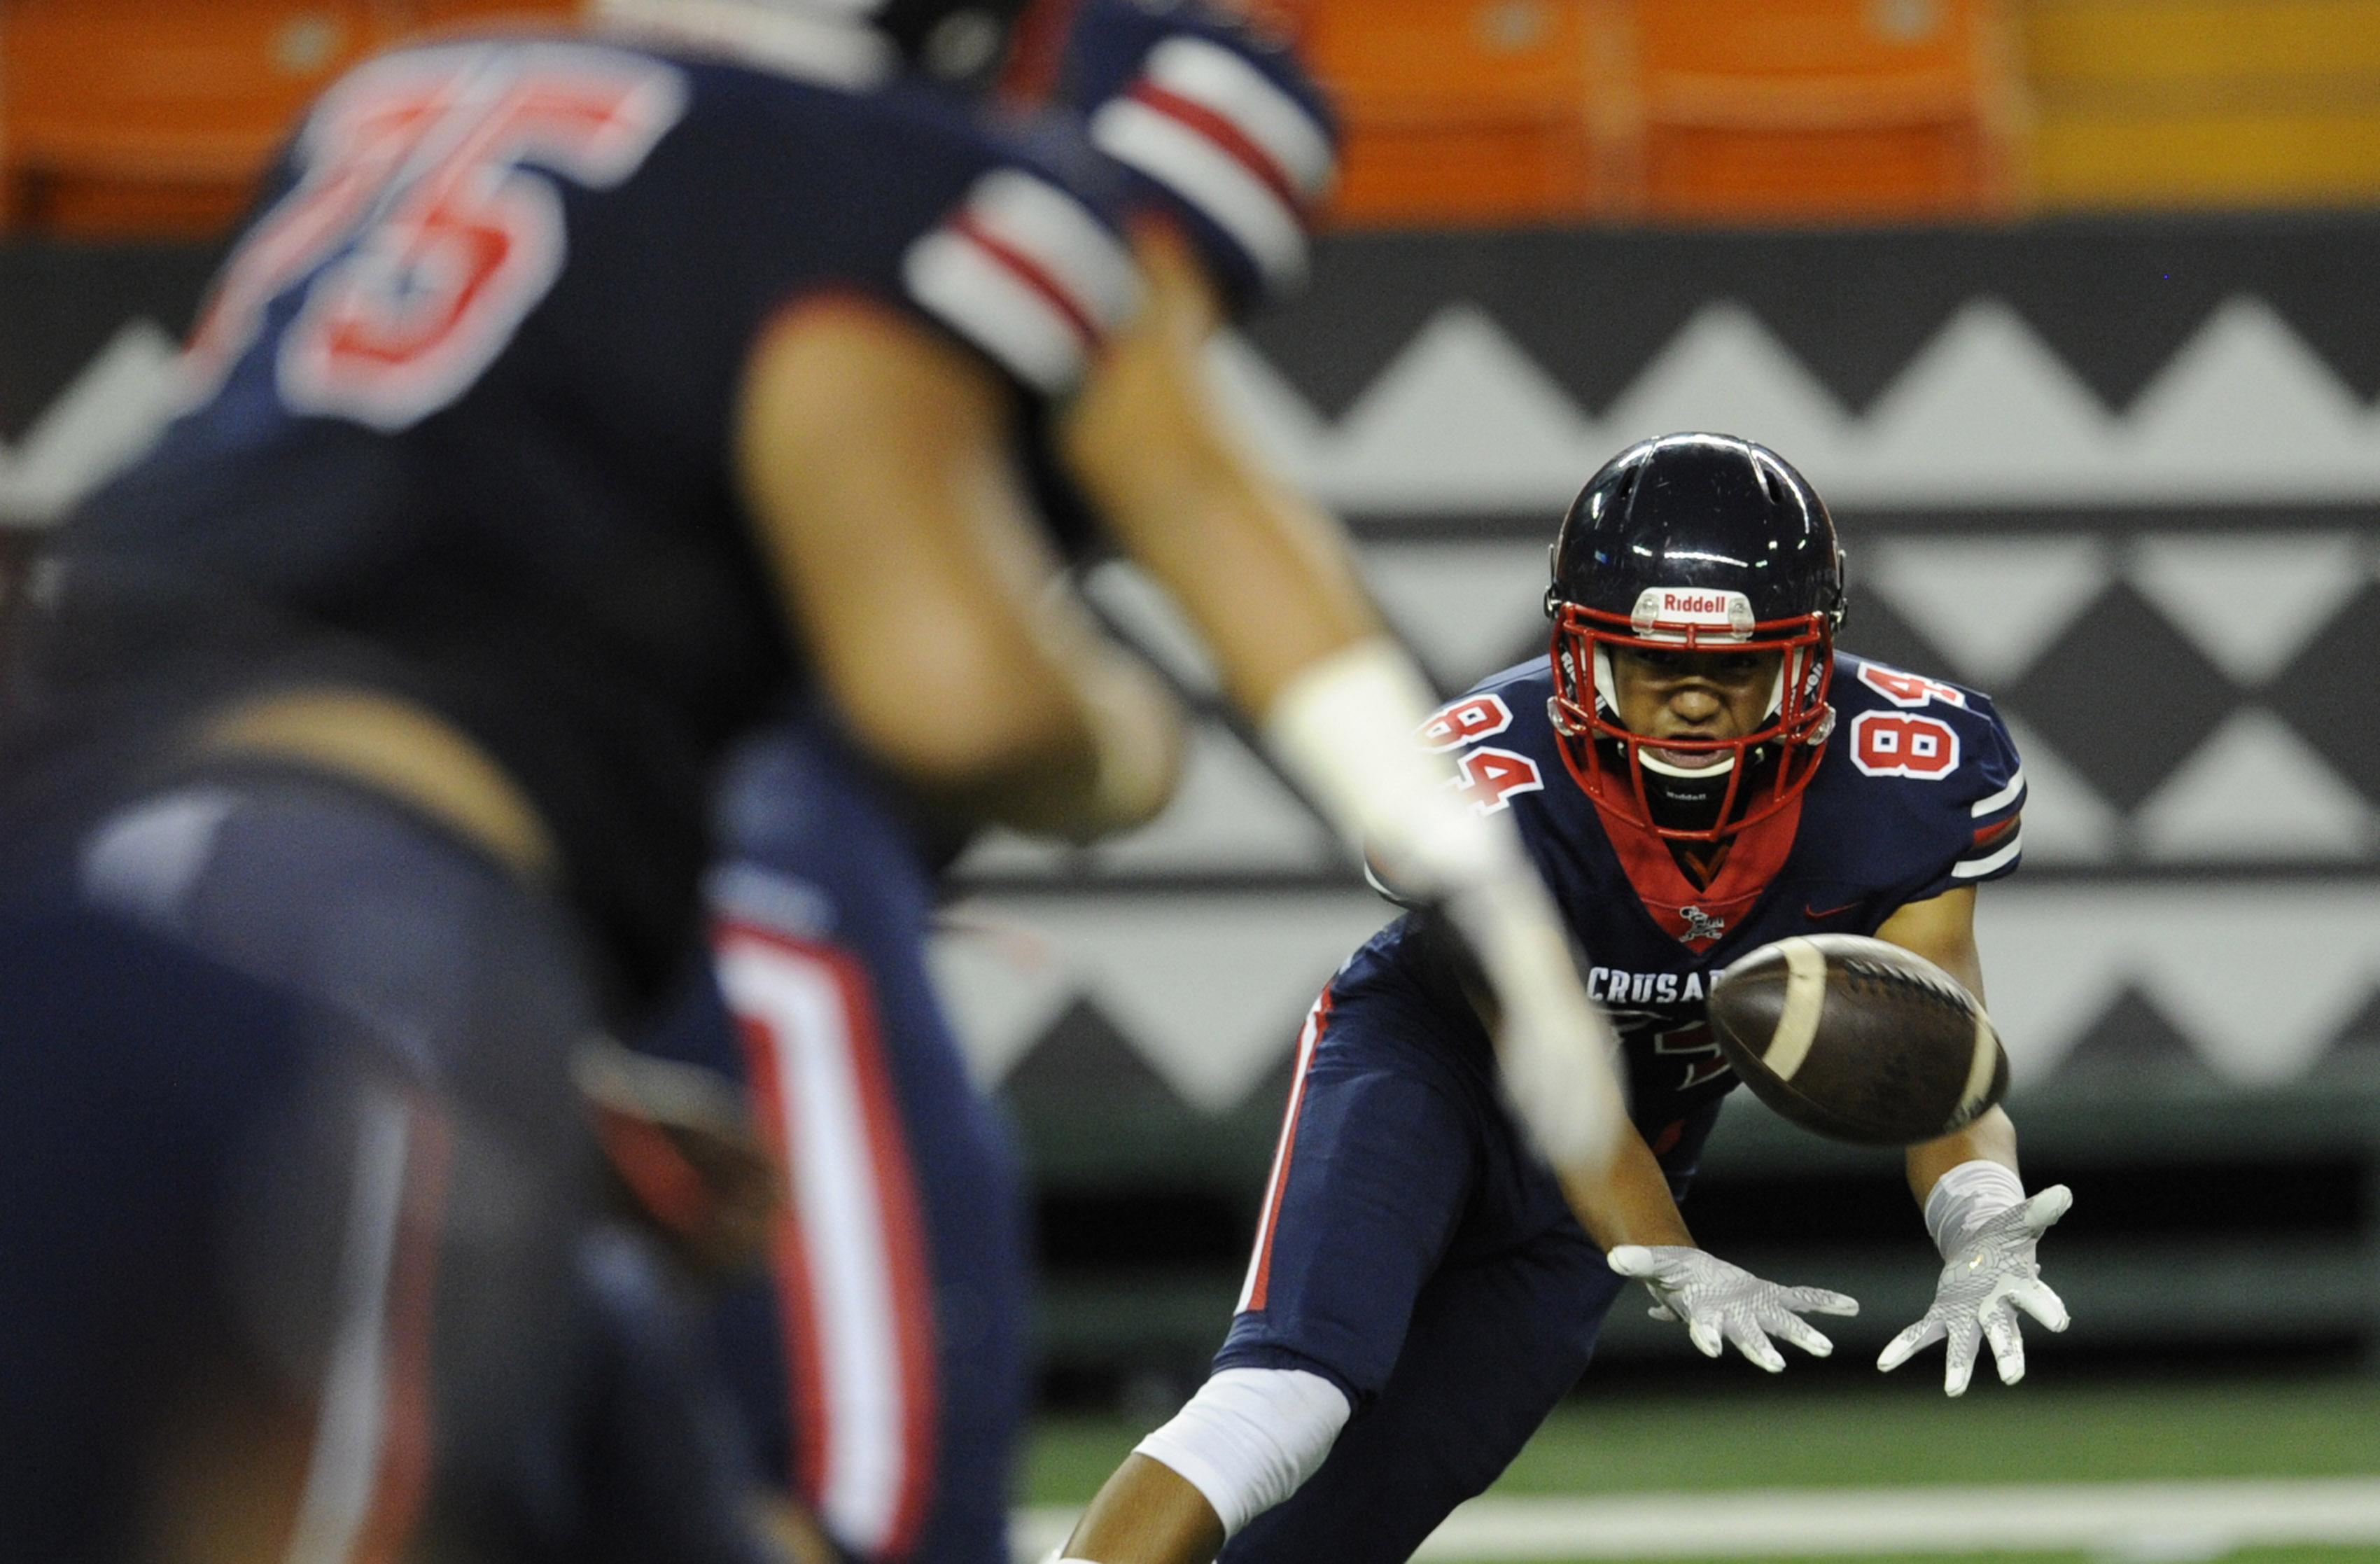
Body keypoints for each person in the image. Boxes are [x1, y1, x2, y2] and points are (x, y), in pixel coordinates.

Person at [0, 0, 1630, 1555]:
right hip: (358, 899)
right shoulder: (869, 168)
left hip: (83, 866)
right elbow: (961, 686)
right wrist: (1121, 738)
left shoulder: (409, 96)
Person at [620, 1, 1641, 1559]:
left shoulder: (545, 121)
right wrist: (1110, 746)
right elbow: (1069, 589)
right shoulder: (966, 189)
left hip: (339, 842)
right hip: (667, 847)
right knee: (868, 1502)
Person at [1051, 433, 2078, 1564]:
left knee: (1350, 1523)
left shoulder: (1916, 774)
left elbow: (1932, 1053)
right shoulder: (1488, 784)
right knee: (1292, 1390)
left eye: (1731, 668)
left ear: (1808, 660)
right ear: (1583, 655)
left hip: (1621, 1151)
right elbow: (1558, 1074)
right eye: (1651, 662)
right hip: (1429, 1073)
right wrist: (1669, 1247)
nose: (1690, 698)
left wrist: (1981, 1214)